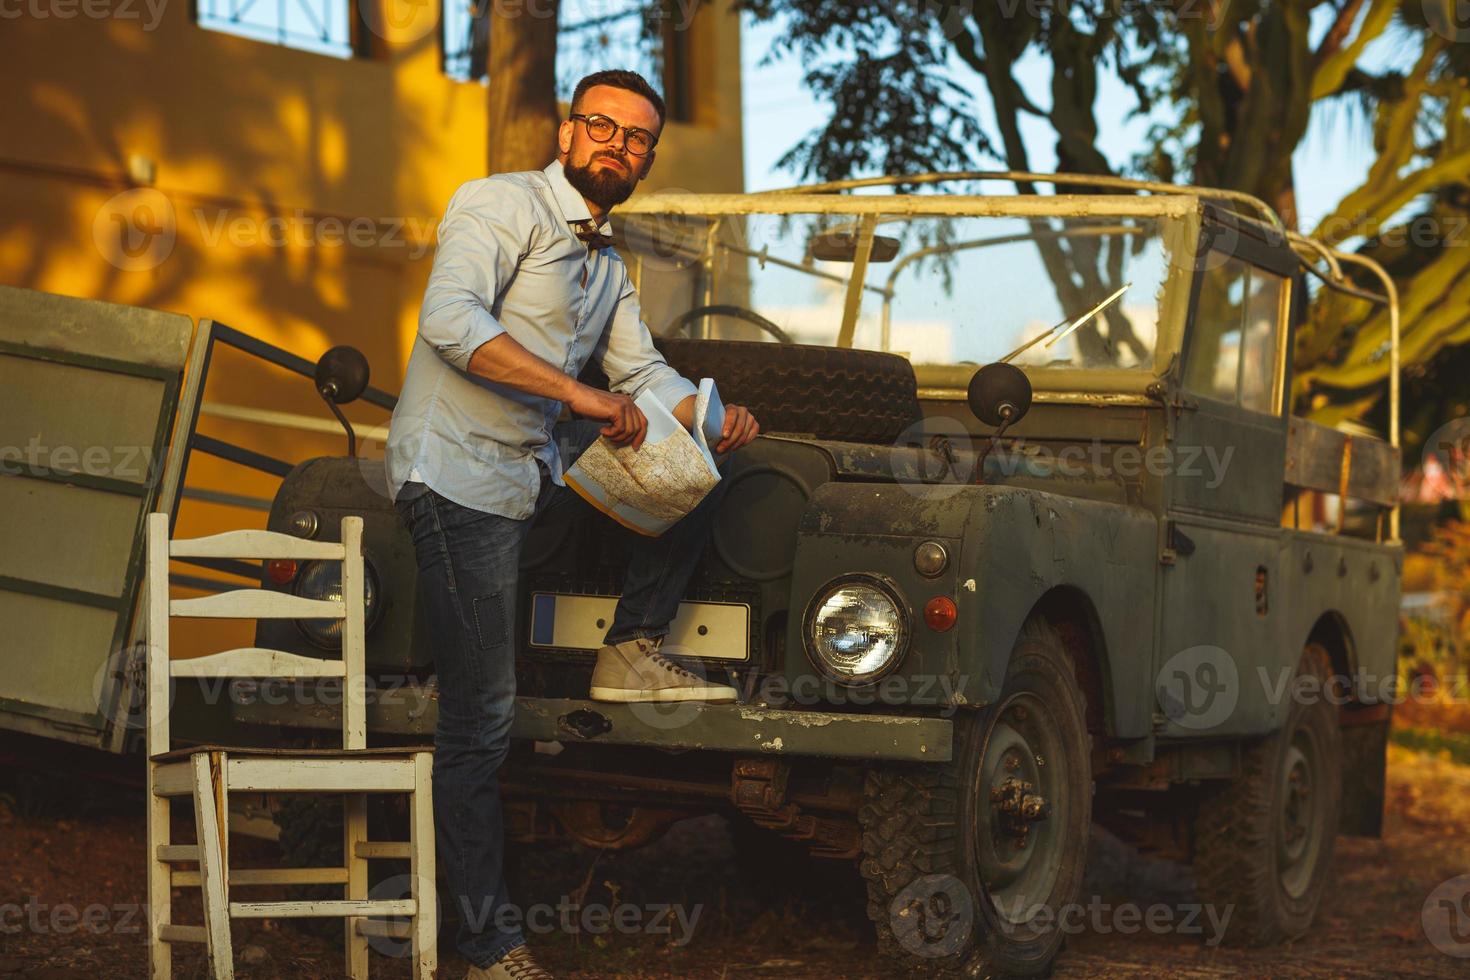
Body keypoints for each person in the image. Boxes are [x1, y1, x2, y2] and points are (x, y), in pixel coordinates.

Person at [384, 70, 761, 980]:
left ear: (644, 161)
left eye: (635, 140)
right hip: (456, 481)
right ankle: (486, 946)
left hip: (529, 481)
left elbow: (644, 379)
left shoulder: (606, 266)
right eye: (601, 126)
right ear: (566, 134)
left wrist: (711, 417)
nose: (615, 146)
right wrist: (579, 395)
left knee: (698, 470)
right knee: (481, 722)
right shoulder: (498, 206)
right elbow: (449, 323)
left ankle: (630, 645)